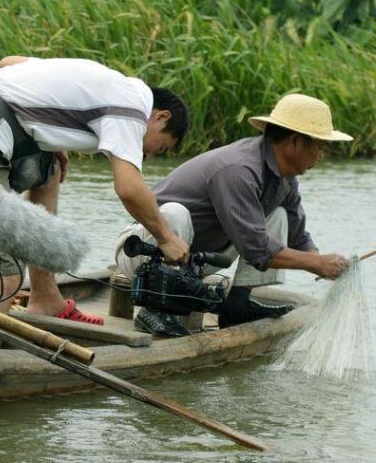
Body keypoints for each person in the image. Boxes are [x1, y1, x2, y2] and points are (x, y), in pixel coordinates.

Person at [0, 55, 191, 347]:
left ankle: (45, 298)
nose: (149, 155)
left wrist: (52, 142)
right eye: (160, 147)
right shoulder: (133, 109)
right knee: (6, 270)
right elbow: (129, 188)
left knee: (48, 171)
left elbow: (8, 62)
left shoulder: (112, 82)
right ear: (161, 117)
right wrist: (166, 238)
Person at [115, 93, 353, 337]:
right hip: (144, 253)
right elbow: (256, 249)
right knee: (175, 213)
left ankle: (238, 303)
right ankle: (153, 309)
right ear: (294, 142)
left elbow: (298, 236)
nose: (321, 156)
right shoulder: (239, 169)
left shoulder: (286, 180)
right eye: (320, 147)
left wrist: (321, 262)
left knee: (278, 215)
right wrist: (315, 264)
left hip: (193, 263)